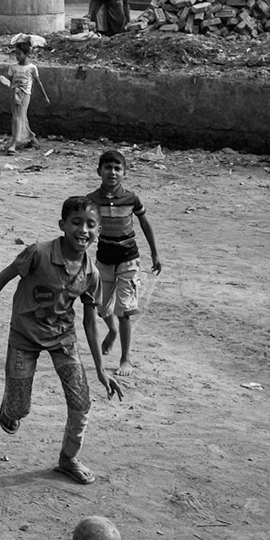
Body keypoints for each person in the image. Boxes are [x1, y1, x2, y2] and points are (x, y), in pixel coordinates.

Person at [0, 195, 123, 485]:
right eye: (76, 222)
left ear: (99, 231)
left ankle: (68, 459)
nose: (83, 230)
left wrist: (101, 370)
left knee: (81, 402)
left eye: (91, 225)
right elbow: (4, 277)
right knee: (18, 410)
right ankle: (10, 407)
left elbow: (89, 321)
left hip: (62, 339)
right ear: (62, 225)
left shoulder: (90, 273)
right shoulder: (39, 253)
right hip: (25, 336)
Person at [86, 149, 163, 374]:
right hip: (104, 259)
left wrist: (155, 253)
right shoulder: (92, 200)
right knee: (101, 307)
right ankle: (112, 331)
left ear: (125, 173)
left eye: (117, 168)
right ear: (99, 171)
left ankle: (125, 358)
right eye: (108, 168)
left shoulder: (131, 198)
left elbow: (145, 223)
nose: (112, 172)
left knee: (125, 310)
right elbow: (86, 228)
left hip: (128, 259)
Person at [1, 34, 45, 151]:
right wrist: (7, 83)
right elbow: (10, 80)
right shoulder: (13, 67)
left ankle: (14, 143)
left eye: (19, 54)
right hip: (14, 93)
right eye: (16, 54)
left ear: (26, 54)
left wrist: (44, 96)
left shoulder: (32, 68)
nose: (17, 56)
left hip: (25, 94)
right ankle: (31, 138)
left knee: (17, 118)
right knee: (20, 117)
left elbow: (38, 82)